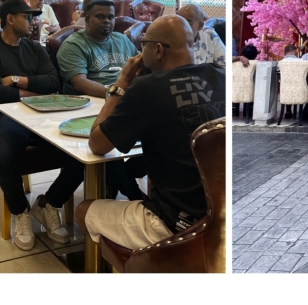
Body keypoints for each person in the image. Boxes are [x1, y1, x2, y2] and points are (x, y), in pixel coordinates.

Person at [77, 15, 226, 251]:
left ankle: (146, 263)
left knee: (84, 210)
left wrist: (122, 83)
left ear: (157, 50)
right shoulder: (221, 76)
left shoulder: (146, 89)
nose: (139, 51)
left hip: (178, 225)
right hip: (221, 217)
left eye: (142, 44)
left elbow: (97, 144)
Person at [0, 0, 85, 250]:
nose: (33, 21)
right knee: (5, 154)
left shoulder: (35, 48)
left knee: (82, 152)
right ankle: (20, 211)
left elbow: (52, 84)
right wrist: (35, 90)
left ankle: (48, 204)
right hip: (7, 115)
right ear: (11, 18)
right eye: (28, 16)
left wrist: (16, 79)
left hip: (43, 113)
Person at [57, 0, 138, 97]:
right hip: (94, 101)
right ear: (87, 20)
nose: (106, 21)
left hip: (126, 96)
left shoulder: (122, 39)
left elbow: (142, 65)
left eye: (111, 17)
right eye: (100, 17)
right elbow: (80, 84)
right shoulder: (73, 45)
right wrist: (119, 94)